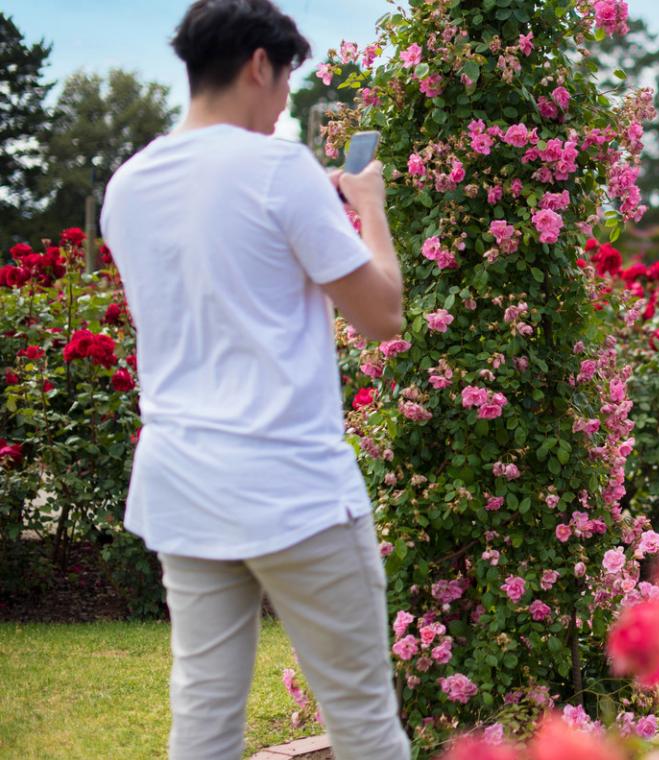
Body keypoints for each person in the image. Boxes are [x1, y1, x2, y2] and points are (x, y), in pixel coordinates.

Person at [100, 1, 409, 757]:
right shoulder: (279, 168)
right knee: (364, 720)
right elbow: (383, 315)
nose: (281, 108)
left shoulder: (128, 185)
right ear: (258, 65)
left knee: (203, 718)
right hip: (291, 486)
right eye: (283, 84)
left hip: (182, 483)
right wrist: (368, 208)